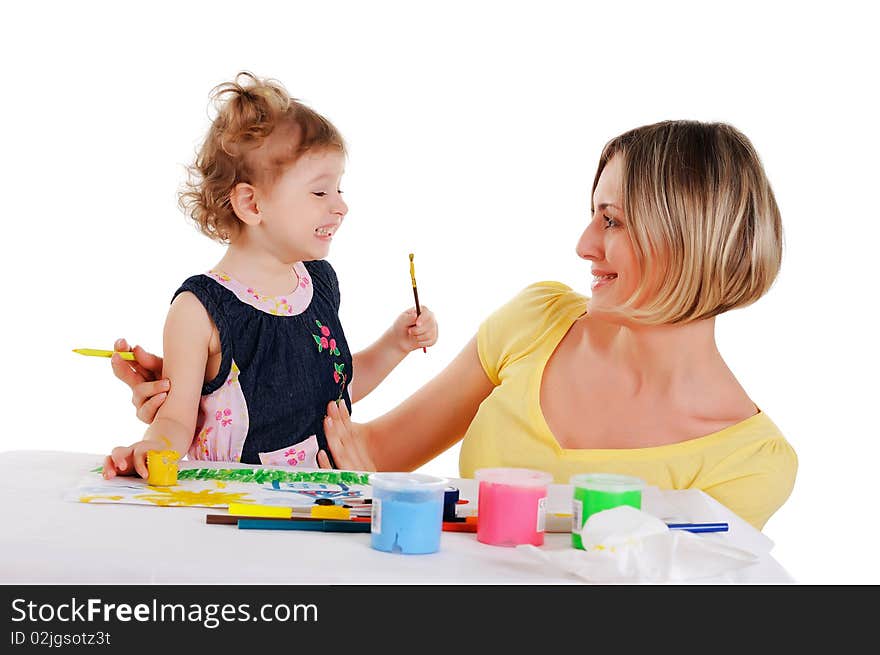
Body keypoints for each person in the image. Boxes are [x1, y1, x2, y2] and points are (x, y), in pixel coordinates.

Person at [113, 120, 796, 531]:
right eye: (594, 213)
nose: (584, 243)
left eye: (611, 219)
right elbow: (368, 453)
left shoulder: (750, 465)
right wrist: (209, 402)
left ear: (693, 236)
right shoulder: (540, 319)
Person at [101, 72, 437, 480]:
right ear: (251, 203)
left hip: (322, 504)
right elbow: (174, 422)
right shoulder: (198, 312)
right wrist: (149, 450)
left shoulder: (320, 285)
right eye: (320, 192)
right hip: (233, 515)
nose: (341, 207)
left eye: (340, 190)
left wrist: (395, 345)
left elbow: (334, 393)